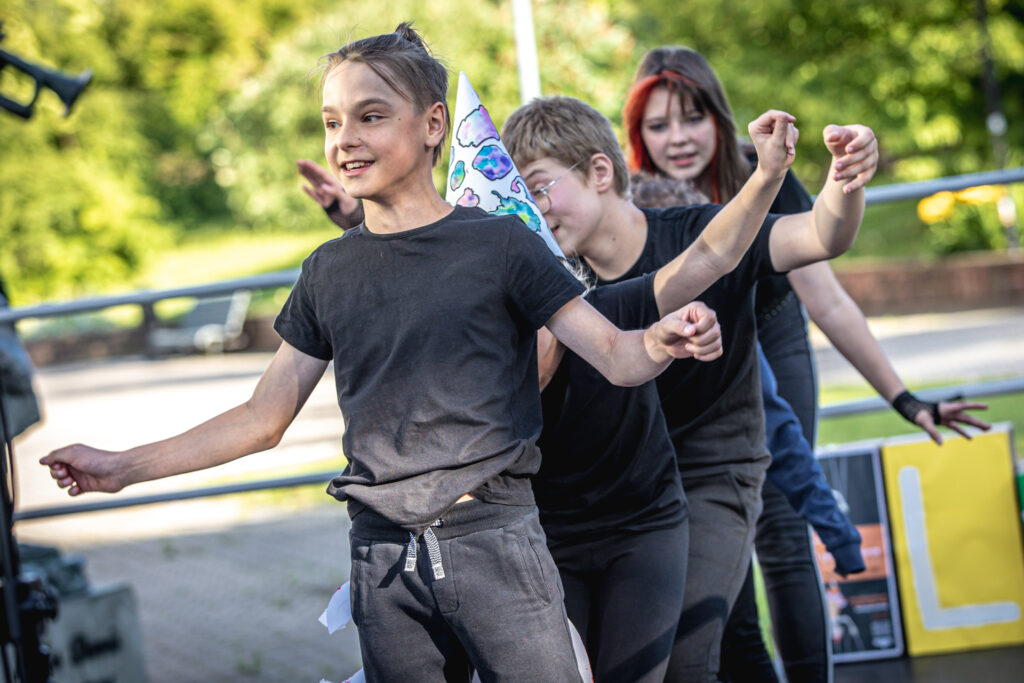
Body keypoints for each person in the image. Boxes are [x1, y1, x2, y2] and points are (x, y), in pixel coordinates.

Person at [40, 24, 719, 683]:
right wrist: (122, 466)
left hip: (498, 549)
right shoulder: (327, 273)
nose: (346, 139)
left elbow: (618, 356)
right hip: (384, 565)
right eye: (332, 121)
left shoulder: (503, 246)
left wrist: (663, 339)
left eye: (370, 116)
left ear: (432, 125)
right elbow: (261, 419)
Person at [623, 46, 990, 683]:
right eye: (658, 125)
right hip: (689, 372)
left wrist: (906, 400)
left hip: (770, 344)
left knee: (785, 536)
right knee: (714, 560)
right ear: (636, 134)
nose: (677, 138)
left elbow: (829, 297)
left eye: (692, 117)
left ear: (719, 116)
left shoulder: (759, 173)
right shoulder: (635, 200)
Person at [503, 94, 874, 683]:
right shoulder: (553, 283)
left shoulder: (700, 234)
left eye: (540, 188)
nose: (532, 210)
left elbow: (820, 236)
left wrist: (845, 180)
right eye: (517, 198)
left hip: (711, 469)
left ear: (601, 172)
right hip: (624, 488)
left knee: (682, 656)